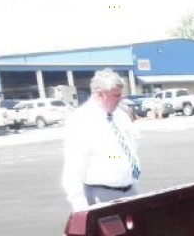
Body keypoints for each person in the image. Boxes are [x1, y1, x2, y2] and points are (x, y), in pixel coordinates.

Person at [61, 69, 142, 211]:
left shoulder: (121, 116)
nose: (120, 99)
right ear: (100, 94)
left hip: (130, 190)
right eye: (115, 95)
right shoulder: (81, 121)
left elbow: (130, 145)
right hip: (101, 194)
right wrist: (79, 203)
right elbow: (74, 165)